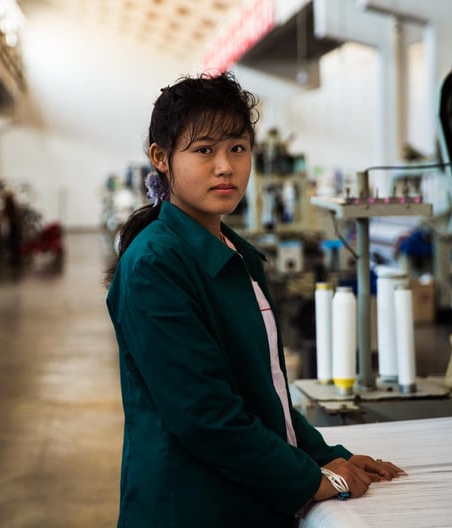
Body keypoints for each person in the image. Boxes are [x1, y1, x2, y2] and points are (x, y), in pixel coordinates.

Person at [105, 72, 404, 527]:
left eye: (238, 148)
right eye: (204, 150)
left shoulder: (236, 254)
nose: (225, 166)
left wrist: (330, 456)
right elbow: (205, 416)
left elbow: (264, 396)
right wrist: (311, 480)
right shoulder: (156, 265)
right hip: (190, 507)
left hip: (243, 498)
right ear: (161, 158)